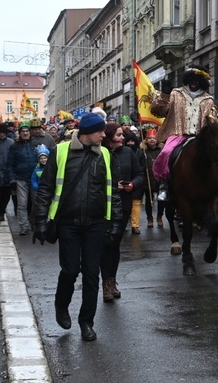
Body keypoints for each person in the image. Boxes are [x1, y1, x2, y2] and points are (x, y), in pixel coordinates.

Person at [31, 113, 124, 341]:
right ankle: (61, 305)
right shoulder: (60, 152)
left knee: (92, 274)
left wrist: (115, 225)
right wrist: (40, 221)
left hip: (96, 224)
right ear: (86, 133)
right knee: (70, 270)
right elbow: (45, 190)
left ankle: (86, 323)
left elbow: (113, 193)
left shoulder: (105, 155)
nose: (104, 135)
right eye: (100, 131)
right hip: (68, 224)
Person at [150, 64, 218, 202]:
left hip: (199, 137)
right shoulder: (176, 94)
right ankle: (164, 184)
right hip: (177, 134)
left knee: (215, 154)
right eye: (192, 79)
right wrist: (164, 95)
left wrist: (212, 120)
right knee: (166, 152)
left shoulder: (209, 100)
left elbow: (214, 118)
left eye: (198, 80)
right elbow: (157, 110)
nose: (194, 83)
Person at [100, 123, 143, 301]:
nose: (122, 138)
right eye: (118, 135)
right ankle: (105, 285)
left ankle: (112, 281)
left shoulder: (128, 153)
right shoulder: (100, 154)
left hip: (123, 205)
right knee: (106, 244)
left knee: (115, 244)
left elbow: (140, 174)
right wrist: (110, 186)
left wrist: (132, 184)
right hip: (104, 206)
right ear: (110, 137)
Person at [7, 122, 37, 235]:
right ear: (19, 133)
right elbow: (9, 165)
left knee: (36, 203)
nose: (25, 133)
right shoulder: (14, 147)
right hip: (20, 178)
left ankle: (34, 223)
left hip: (35, 178)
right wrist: (12, 179)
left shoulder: (36, 144)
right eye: (23, 131)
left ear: (30, 133)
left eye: (27, 131)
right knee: (22, 204)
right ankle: (24, 226)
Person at [140, 128, 164, 228]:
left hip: (160, 179)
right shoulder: (143, 151)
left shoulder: (162, 150)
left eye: (154, 138)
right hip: (148, 179)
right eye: (149, 138)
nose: (152, 140)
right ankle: (149, 218)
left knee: (161, 199)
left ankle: (159, 217)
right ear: (146, 140)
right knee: (149, 200)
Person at [124, 131, 145, 234]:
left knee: (136, 203)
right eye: (128, 141)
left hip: (137, 182)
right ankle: (123, 224)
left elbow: (143, 167)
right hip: (124, 181)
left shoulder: (140, 153)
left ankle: (135, 225)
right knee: (125, 205)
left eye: (132, 141)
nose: (130, 143)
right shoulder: (122, 152)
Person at [0, 123, 14, 221]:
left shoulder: (11, 142)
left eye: (3, 133)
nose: (2, 135)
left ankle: (1, 212)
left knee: (6, 195)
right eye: (0, 133)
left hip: (7, 172)